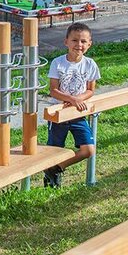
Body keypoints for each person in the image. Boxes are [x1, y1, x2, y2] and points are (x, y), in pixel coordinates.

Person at [43, 22, 101, 187]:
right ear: (66, 42)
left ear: (89, 44)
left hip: (78, 113)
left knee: (88, 150)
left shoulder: (90, 64)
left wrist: (78, 99)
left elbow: (90, 90)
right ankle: (51, 181)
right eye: (75, 40)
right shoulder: (58, 63)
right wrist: (71, 99)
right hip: (58, 114)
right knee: (55, 150)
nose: (79, 44)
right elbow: (53, 90)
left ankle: (56, 169)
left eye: (83, 41)